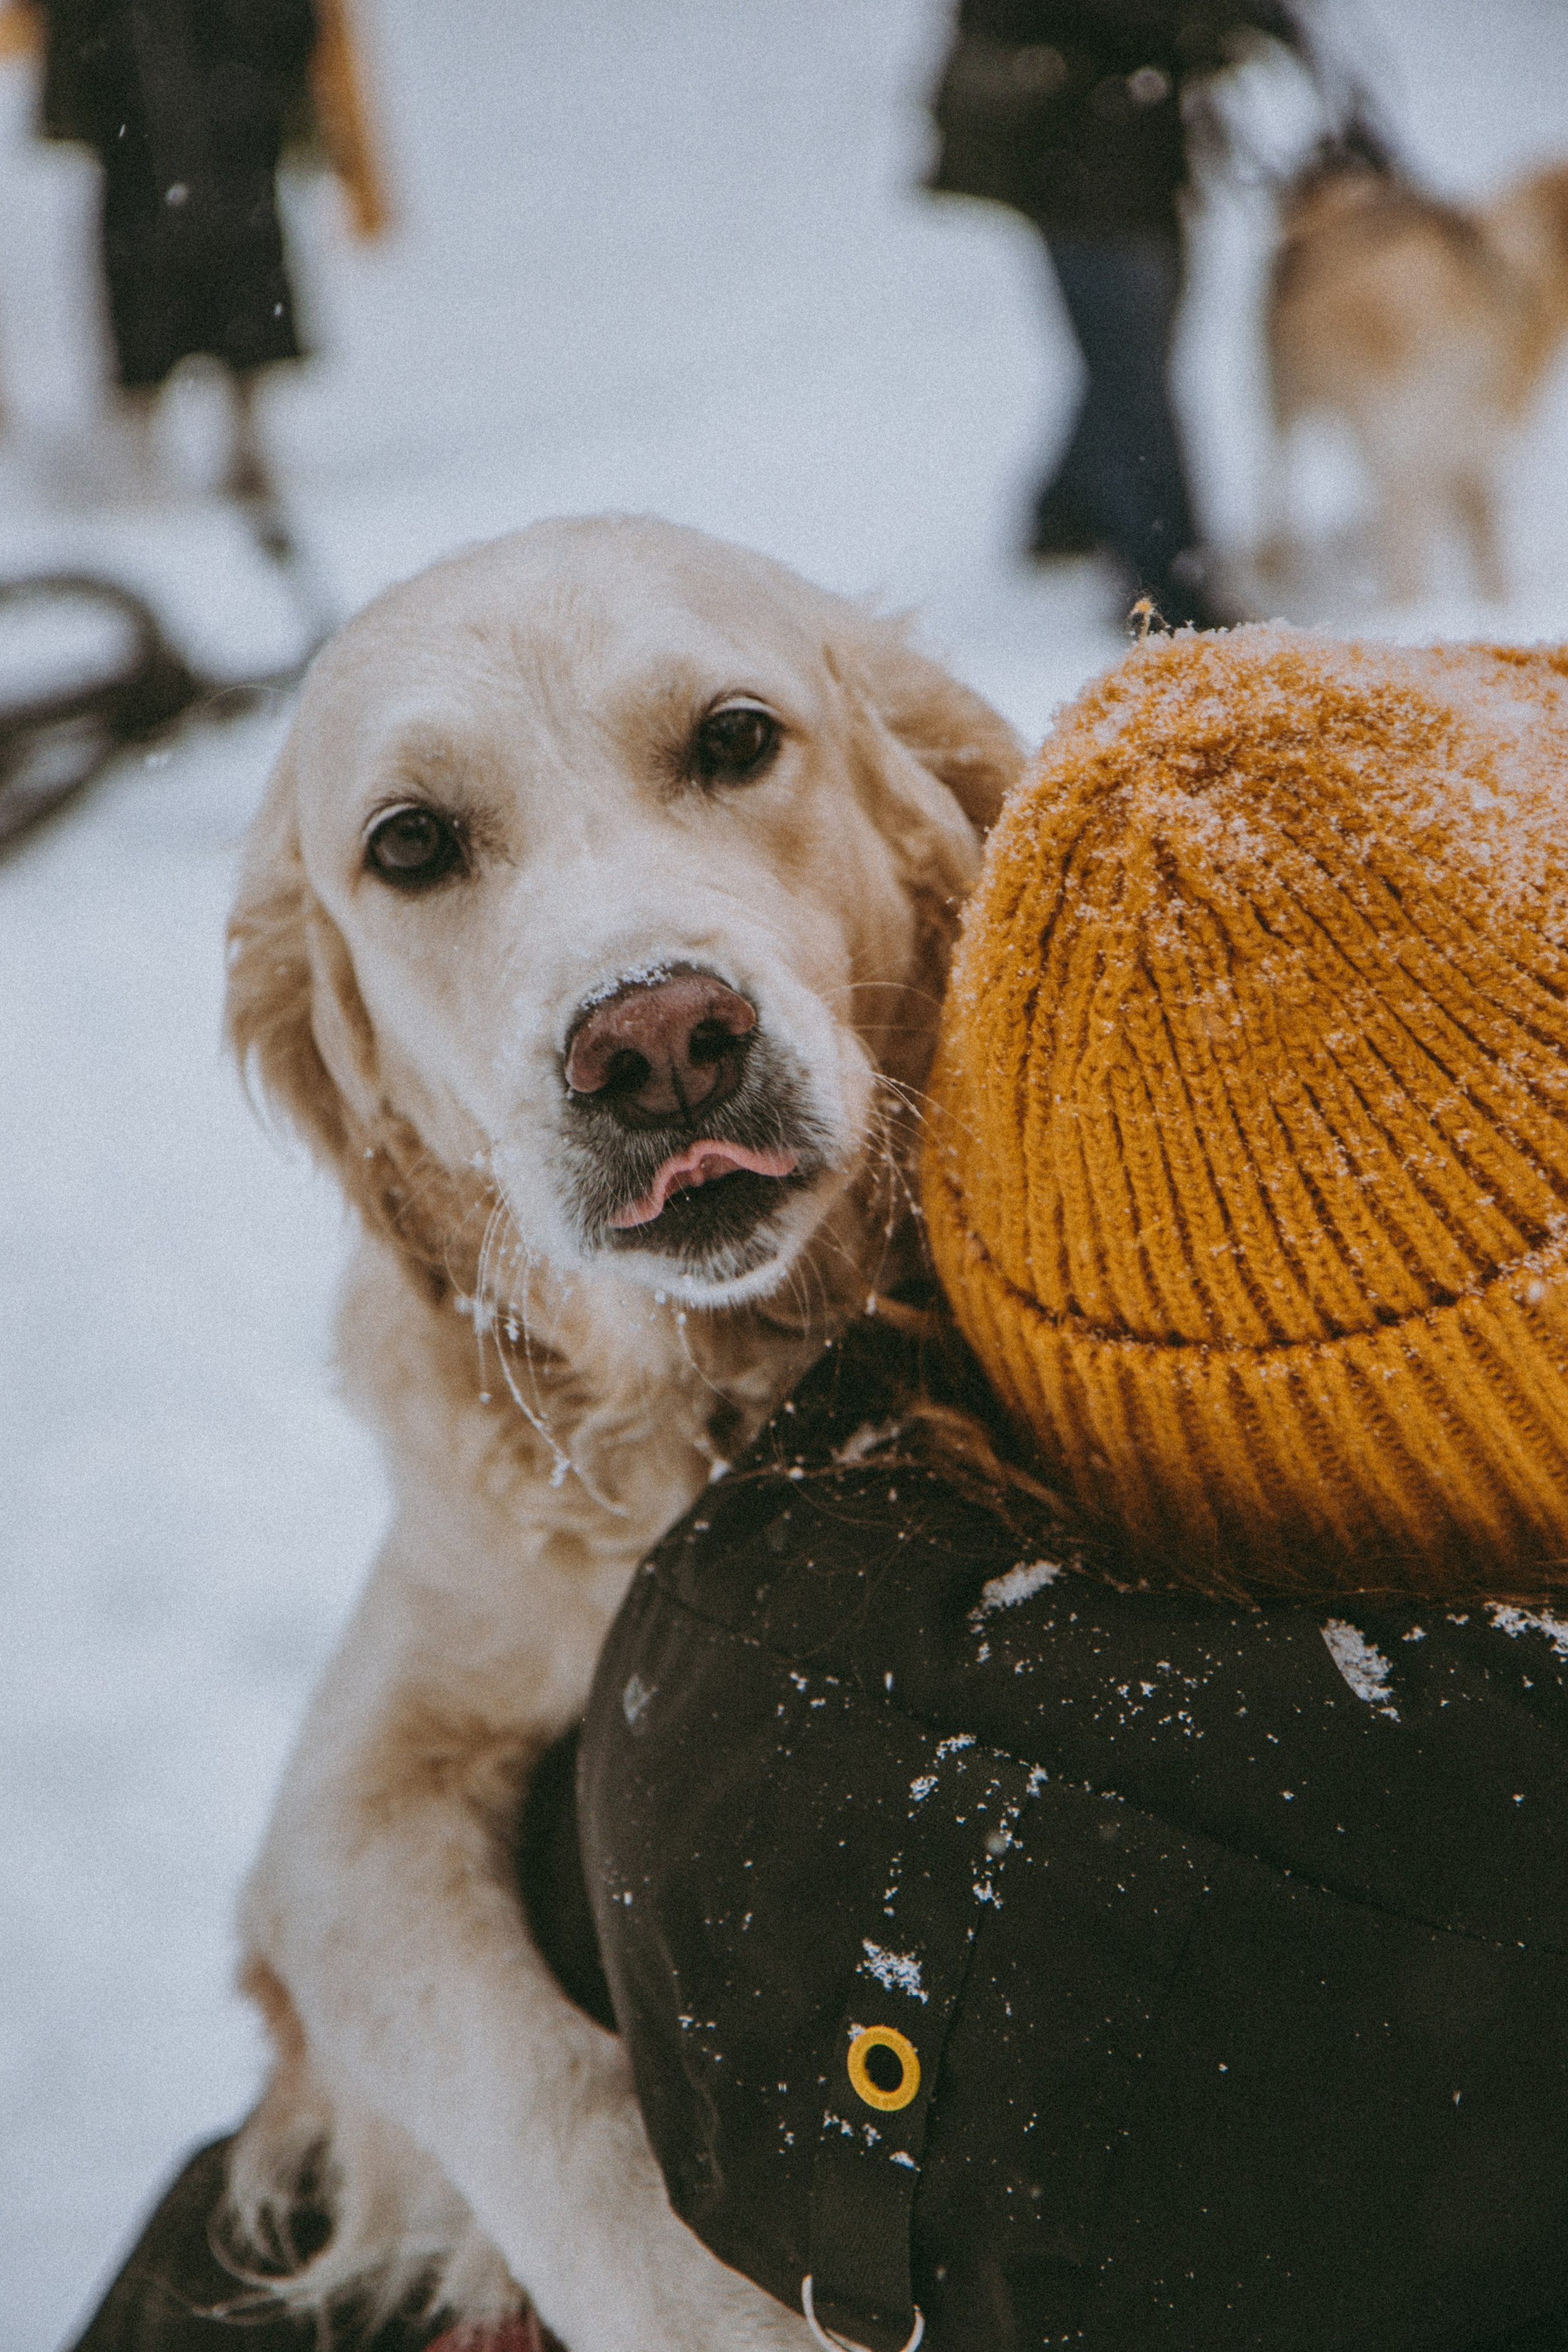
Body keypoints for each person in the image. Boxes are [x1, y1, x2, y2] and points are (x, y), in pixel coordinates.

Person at [70, 624, 1568, 2349]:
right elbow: (344, 1848)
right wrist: (617, 2244)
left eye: (725, 746)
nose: (642, 1016)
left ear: (923, 827)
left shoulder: (1125, 1198)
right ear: (348, 1062)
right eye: (425, 847)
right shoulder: (478, 1397)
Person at [925, 0, 1324, 627]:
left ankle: (1066, 513)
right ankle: (1167, 586)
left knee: (1130, 351)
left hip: (1127, 141)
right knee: (1132, 363)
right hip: (1078, 151)